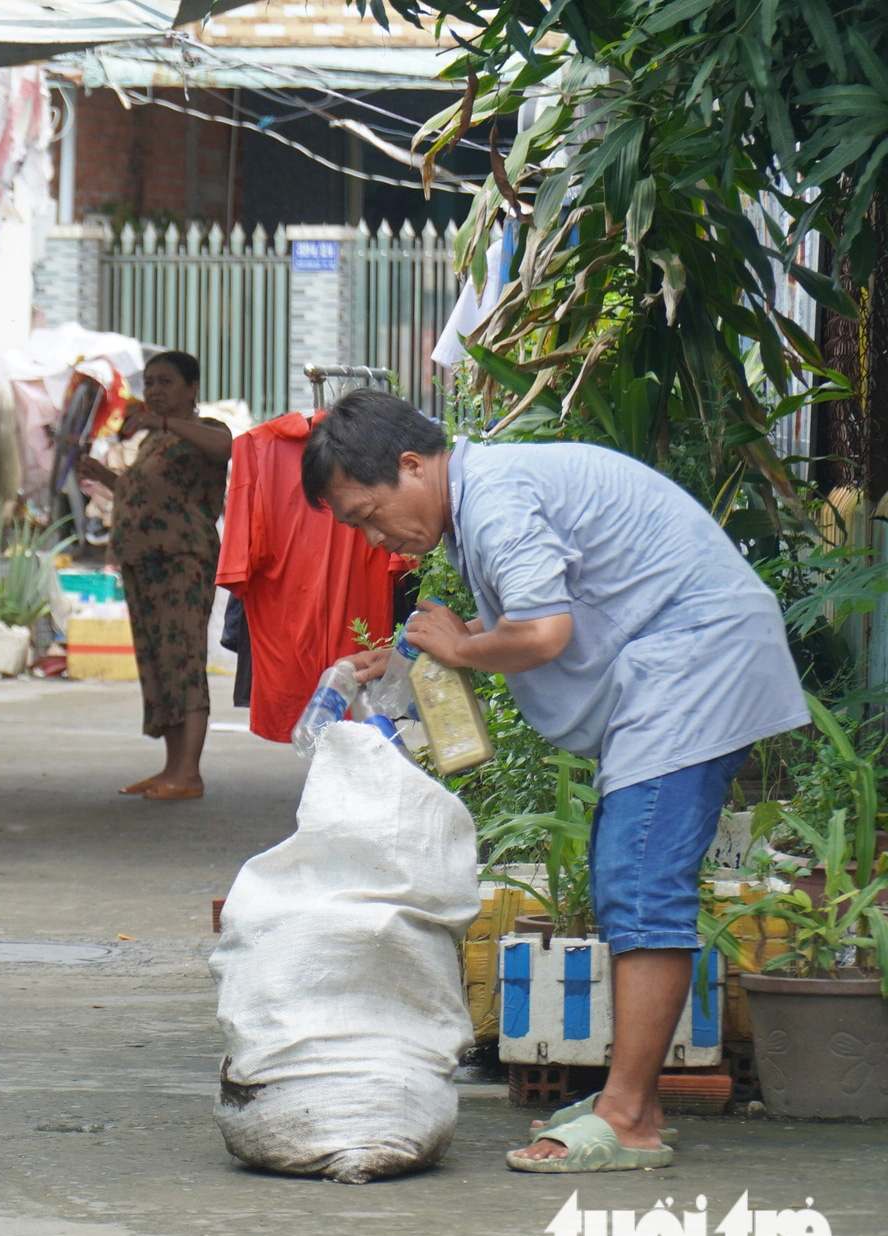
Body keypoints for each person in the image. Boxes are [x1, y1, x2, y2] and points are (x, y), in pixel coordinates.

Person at [303, 389, 807, 1174]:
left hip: (693, 665)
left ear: (411, 464)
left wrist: (462, 650)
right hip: (675, 668)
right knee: (631, 877)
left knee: (641, 884)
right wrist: (422, 655)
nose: (375, 539)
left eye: (369, 514)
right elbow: (536, 619)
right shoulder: (484, 499)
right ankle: (628, 1100)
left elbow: (542, 633)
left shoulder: (497, 500)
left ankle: (630, 1115)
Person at [75, 351, 234, 799]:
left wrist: (160, 424)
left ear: (191, 389)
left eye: (166, 382)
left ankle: (190, 773)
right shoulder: (152, 441)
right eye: (150, 382)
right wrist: (104, 476)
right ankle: (171, 768)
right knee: (158, 665)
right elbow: (141, 490)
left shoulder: (206, 430)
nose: (156, 391)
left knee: (183, 661)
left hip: (182, 561)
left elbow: (227, 450)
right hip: (143, 563)